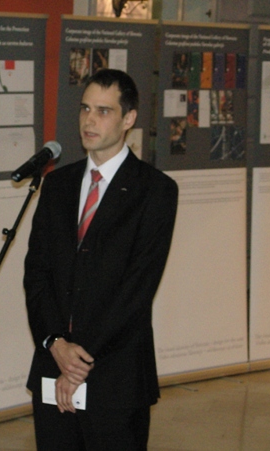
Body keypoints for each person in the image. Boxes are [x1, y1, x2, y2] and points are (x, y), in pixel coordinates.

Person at [23, 69, 178, 450]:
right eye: (85, 108)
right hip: (52, 364)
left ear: (128, 119)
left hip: (115, 375)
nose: (89, 120)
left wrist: (77, 364)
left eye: (104, 111)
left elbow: (137, 289)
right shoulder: (57, 185)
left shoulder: (155, 190)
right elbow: (36, 273)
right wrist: (55, 344)